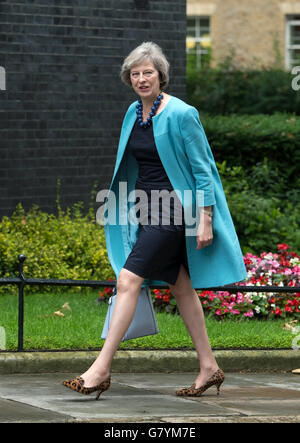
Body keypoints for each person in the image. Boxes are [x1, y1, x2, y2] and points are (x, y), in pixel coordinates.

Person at [63, 42, 247, 399]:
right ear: (128, 79)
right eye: (135, 74)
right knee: (180, 286)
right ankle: (209, 367)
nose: (142, 78)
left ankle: (99, 369)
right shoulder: (133, 113)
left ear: (160, 75)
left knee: (129, 279)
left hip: (176, 211)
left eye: (148, 72)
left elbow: (203, 169)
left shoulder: (181, 113)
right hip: (145, 209)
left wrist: (205, 219)